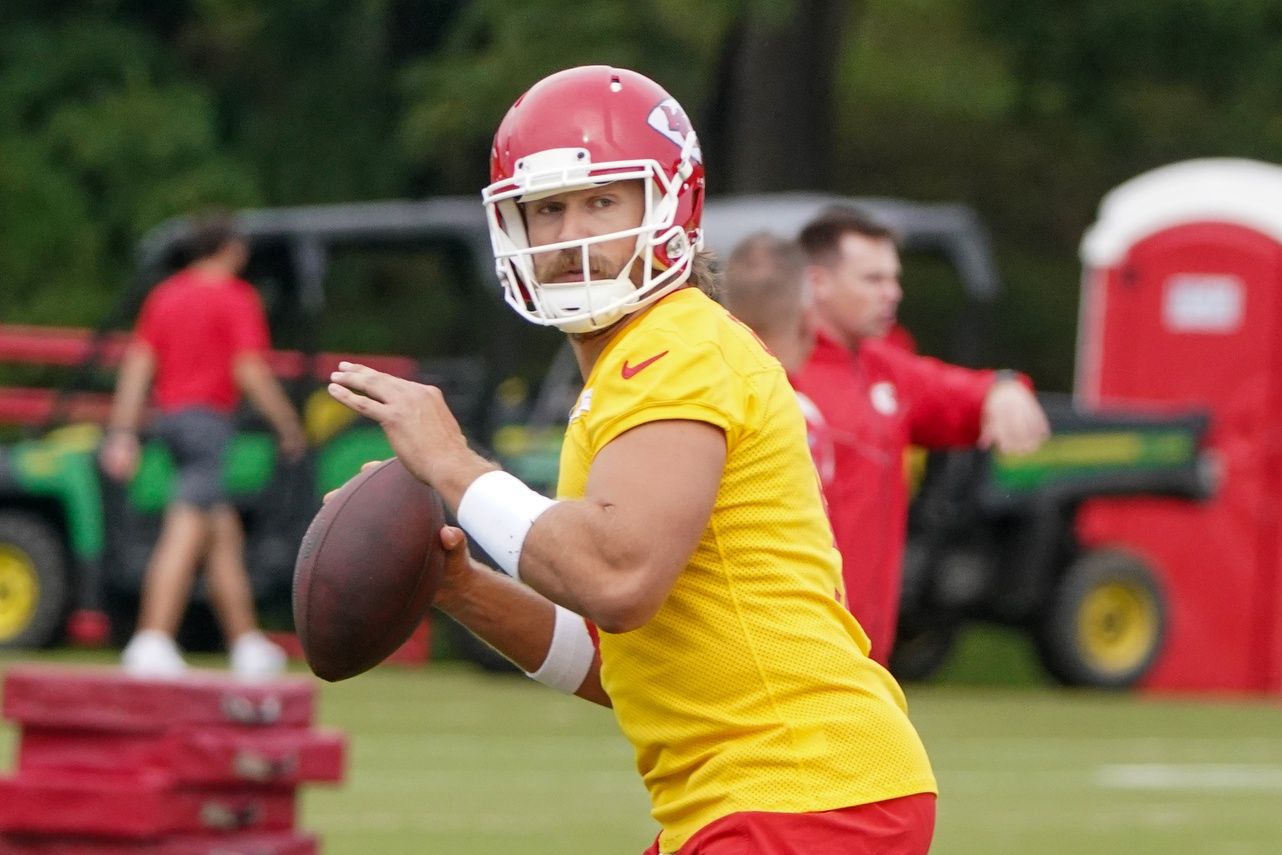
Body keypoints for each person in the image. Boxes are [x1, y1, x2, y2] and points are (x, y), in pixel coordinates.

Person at [328, 66, 937, 855]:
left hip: (803, 792)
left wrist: (453, 464)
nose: (571, 233)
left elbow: (617, 579)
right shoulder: (636, 366)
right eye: (547, 209)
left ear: (671, 205)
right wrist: (459, 585)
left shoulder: (676, 348)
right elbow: (613, 660)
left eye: (602, 201)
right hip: (775, 798)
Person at [722, 217, 1050, 669]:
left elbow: (959, 393)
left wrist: (1006, 387)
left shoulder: (883, 367)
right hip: (789, 647)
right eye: (873, 278)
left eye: (894, 278)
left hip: (864, 655)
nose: (892, 292)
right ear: (816, 282)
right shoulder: (767, 371)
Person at [101, 214, 306, 680]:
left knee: (222, 534)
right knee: (186, 527)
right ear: (230, 249)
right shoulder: (236, 297)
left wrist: (122, 431)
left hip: (170, 419)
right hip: (209, 423)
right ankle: (151, 638)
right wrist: (288, 423)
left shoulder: (165, 294)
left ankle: (246, 644)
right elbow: (249, 369)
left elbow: (138, 364)